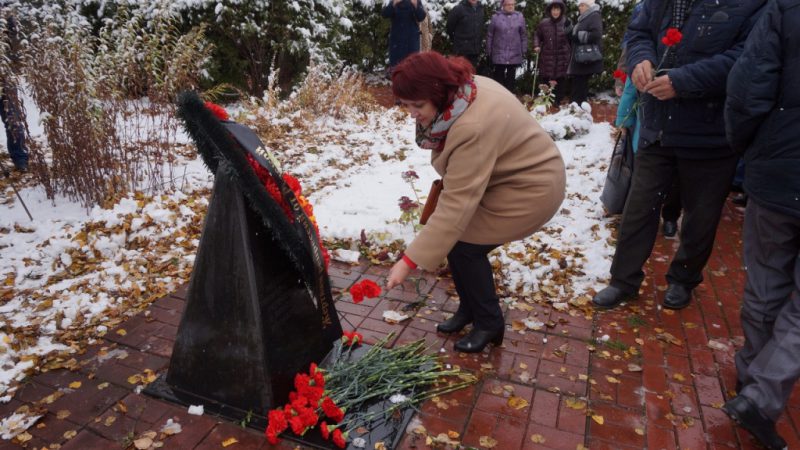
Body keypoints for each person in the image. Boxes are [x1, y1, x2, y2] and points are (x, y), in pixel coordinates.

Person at [591, 0, 766, 311]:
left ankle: (683, 279)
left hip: (710, 133)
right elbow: (639, 31)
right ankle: (623, 280)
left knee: (701, 214)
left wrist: (683, 82)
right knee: (639, 208)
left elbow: (747, 58)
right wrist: (640, 59)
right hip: (659, 125)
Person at [386, 51, 565, 353]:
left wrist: (408, 260)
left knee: (466, 247)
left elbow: (456, 206)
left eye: (417, 105)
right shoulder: (464, 91)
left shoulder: (472, 126)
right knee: (457, 242)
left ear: (439, 92)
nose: (411, 113)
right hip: (503, 179)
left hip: (531, 188)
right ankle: (469, 311)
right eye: (406, 105)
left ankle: (489, 323)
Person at [722, 1, 799, 448]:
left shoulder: (784, 9)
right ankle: (761, 394)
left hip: (775, 170)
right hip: (776, 167)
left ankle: (752, 380)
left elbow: (747, 88)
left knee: (765, 282)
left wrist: (752, 152)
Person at [0, 11, 27, 172]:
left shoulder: (7, 15)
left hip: (5, 76)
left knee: (14, 121)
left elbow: (15, 44)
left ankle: (20, 159)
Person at [533, 0, 571, 105]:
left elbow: (572, 37)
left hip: (562, 57)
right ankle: (544, 100)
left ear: (561, 10)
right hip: (547, 56)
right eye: (554, 9)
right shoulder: (544, 23)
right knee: (546, 78)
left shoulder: (566, 22)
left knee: (560, 79)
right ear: (550, 10)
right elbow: (537, 35)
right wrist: (536, 45)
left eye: (558, 9)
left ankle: (557, 102)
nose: (555, 12)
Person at [486, 0, 527, 94]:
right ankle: (499, 97)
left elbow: (523, 35)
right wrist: (489, 51)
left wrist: (523, 50)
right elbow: (490, 35)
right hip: (499, 53)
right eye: (508, 5)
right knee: (498, 78)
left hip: (514, 53)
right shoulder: (496, 17)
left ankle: (510, 99)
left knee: (511, 79)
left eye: (512, 4)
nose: (510, 6)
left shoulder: (519, 17)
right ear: (503, 5)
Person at [566, 0, 603, 105]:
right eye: (579, 5)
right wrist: (569, 30)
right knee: (578, 84)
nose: (579, 7)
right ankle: (576, 108)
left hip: (585, 58)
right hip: (580, 58)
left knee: (580, 85)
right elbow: (574, 36)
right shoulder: (584, 18)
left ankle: (577, 108)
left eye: (582, 5)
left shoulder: (594, 16)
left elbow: (596, 34)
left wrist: (578, 36)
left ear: (588, 6)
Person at [382, 0, 427, 69]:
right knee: (397, 67)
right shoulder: (393, 1)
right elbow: (385, 14)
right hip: (397, 39)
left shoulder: (416, 1)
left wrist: (415, 5)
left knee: (412, 66)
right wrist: (394, 3)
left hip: (412, 38)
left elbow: (421, 17)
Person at [446, 0, 484, 70]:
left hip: (475, 51)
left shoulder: (480, 9)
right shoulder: (459, 9)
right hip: (461, 50)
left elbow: (480, 28)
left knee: (472, 75)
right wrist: (456, 41)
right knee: (460, 74)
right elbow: (449, 27)